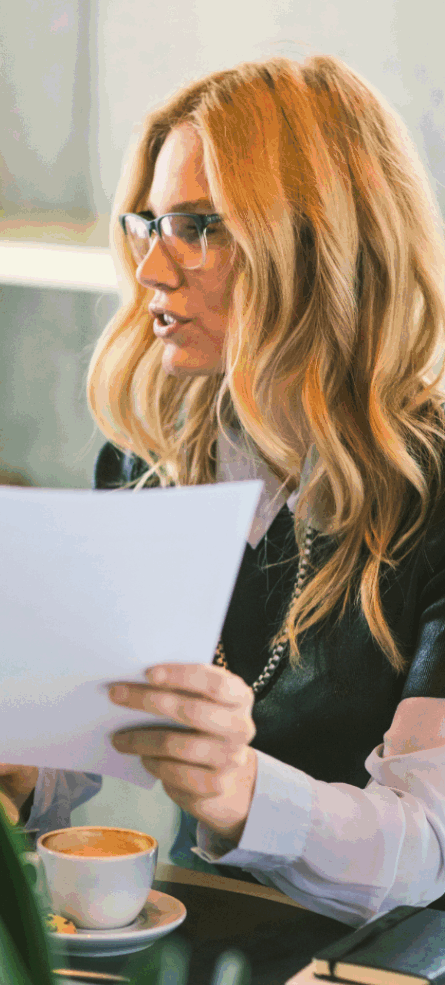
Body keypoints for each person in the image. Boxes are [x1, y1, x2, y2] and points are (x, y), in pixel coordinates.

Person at [88, 54, 445, 925]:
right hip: (199, 936)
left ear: (322, 243)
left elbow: (427, 850)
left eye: (197, 227)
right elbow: (92, 724)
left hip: (388, 974)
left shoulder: (431, 492)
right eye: (149, 224)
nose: (152, 270)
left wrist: (242, 792)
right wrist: (20, 782)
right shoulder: (144, 463)